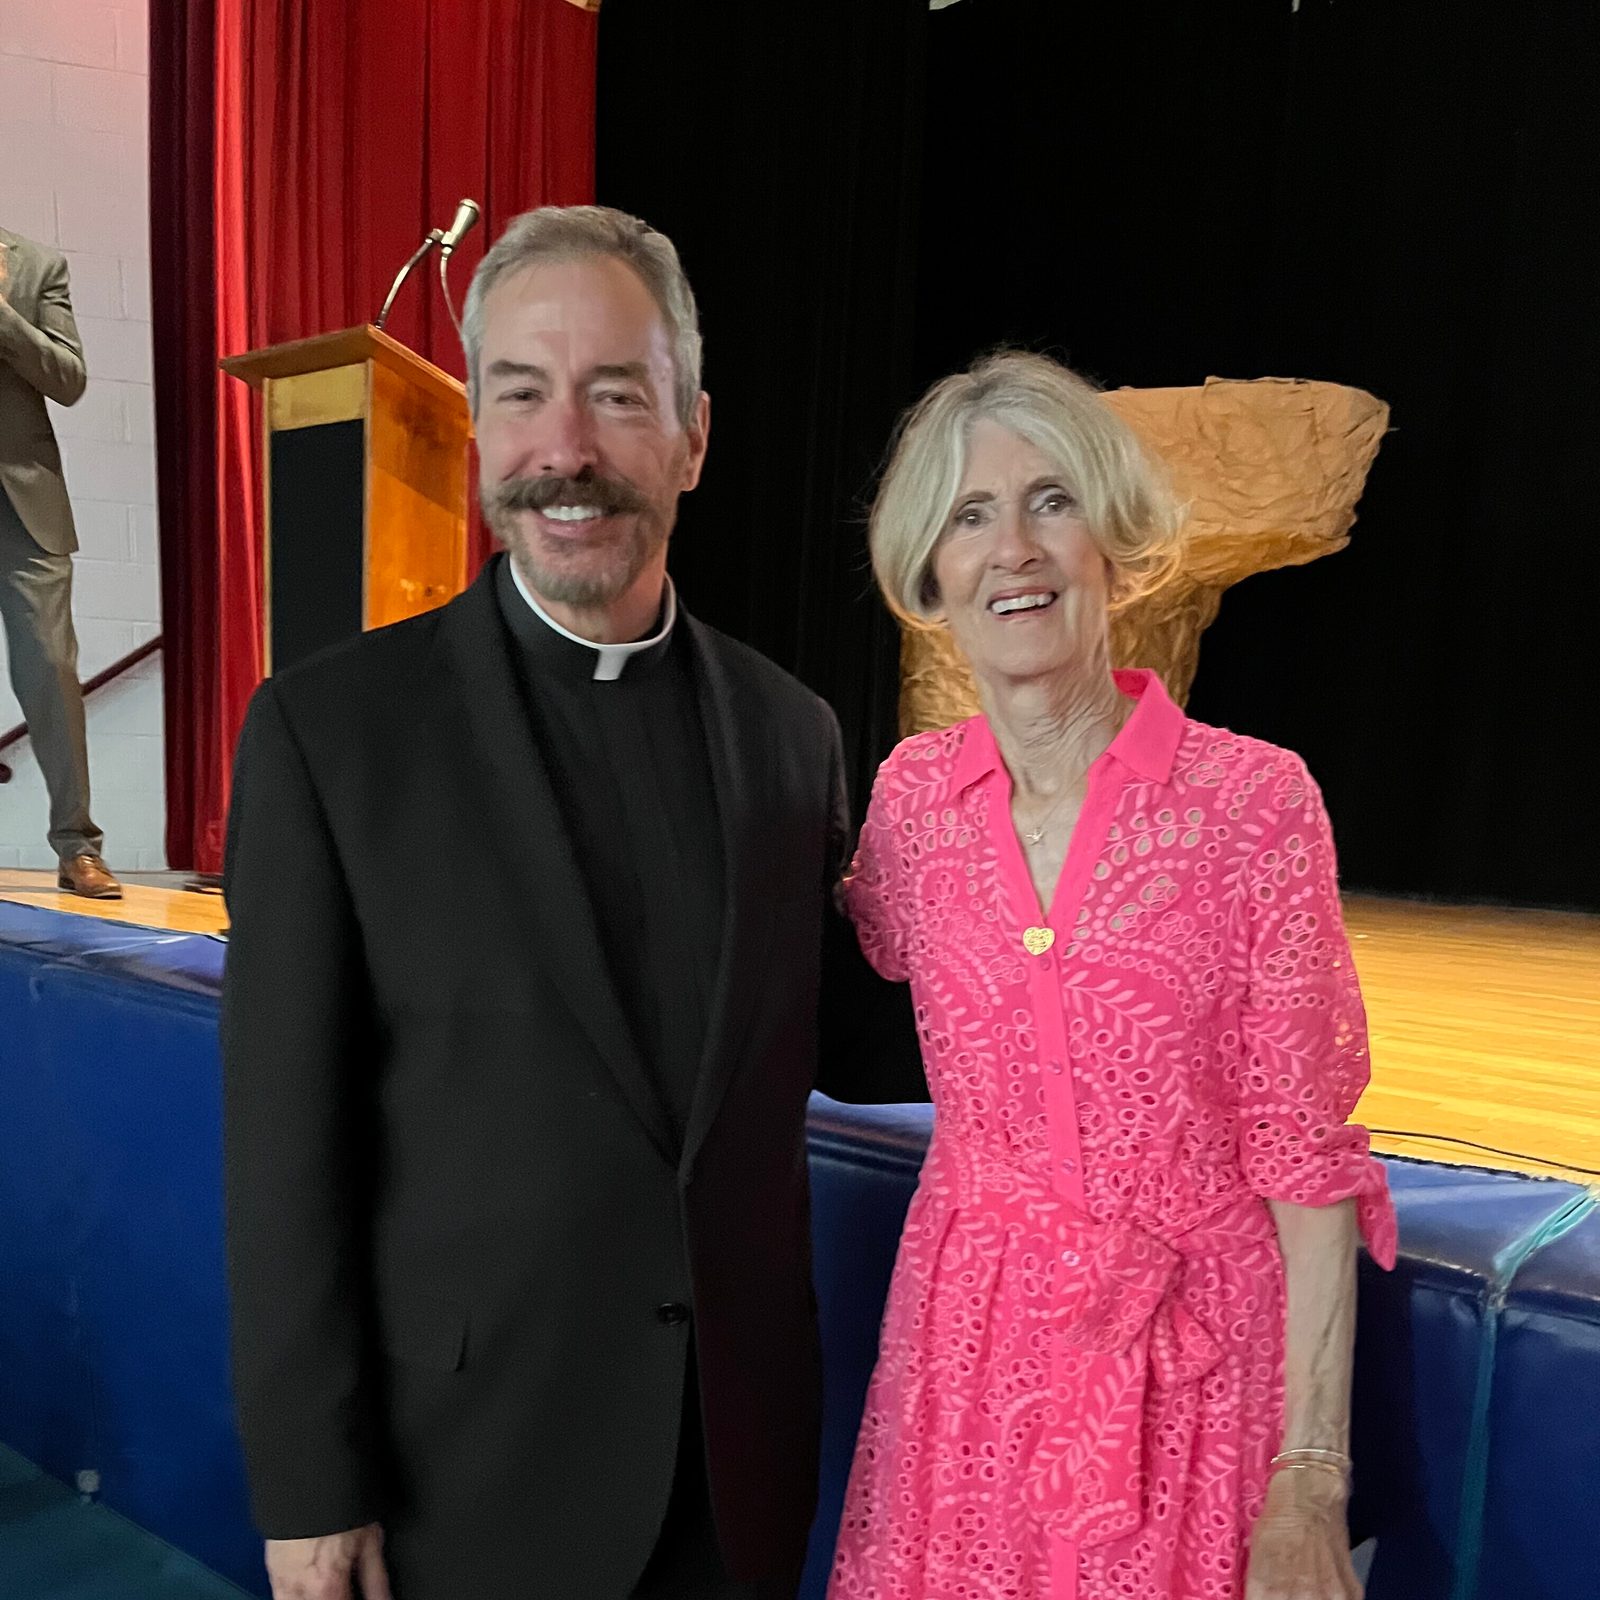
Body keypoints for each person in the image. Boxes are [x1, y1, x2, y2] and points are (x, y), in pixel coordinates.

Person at [221, 205, 918, 1600]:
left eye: (616, 395)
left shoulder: (797, 738)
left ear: (695, 436)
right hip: (464, 1473)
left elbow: (856, 1040)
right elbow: (285, 1156)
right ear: (478, 423)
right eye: (524, 394)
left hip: (735, 1468)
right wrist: (310, 1485)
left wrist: (1077, 901)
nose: (568, 452)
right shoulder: (330, 735)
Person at [828, 351, 1397, 1600]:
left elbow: (1307, 1159)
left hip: (1192, 1373)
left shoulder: (1254, 803)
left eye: (1051, 501)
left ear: (1113, 540)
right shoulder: (911, 805)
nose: (1013, 548)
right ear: (930, 566)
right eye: (971, 515)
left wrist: (1310, 1472)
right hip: (966, 1359)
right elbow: (855, 943)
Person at [0, 227, 119, 898]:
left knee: (50, 667)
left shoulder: (37, 266)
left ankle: (78, 847)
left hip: (24, 501)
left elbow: (68, 379)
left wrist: (3, 319)